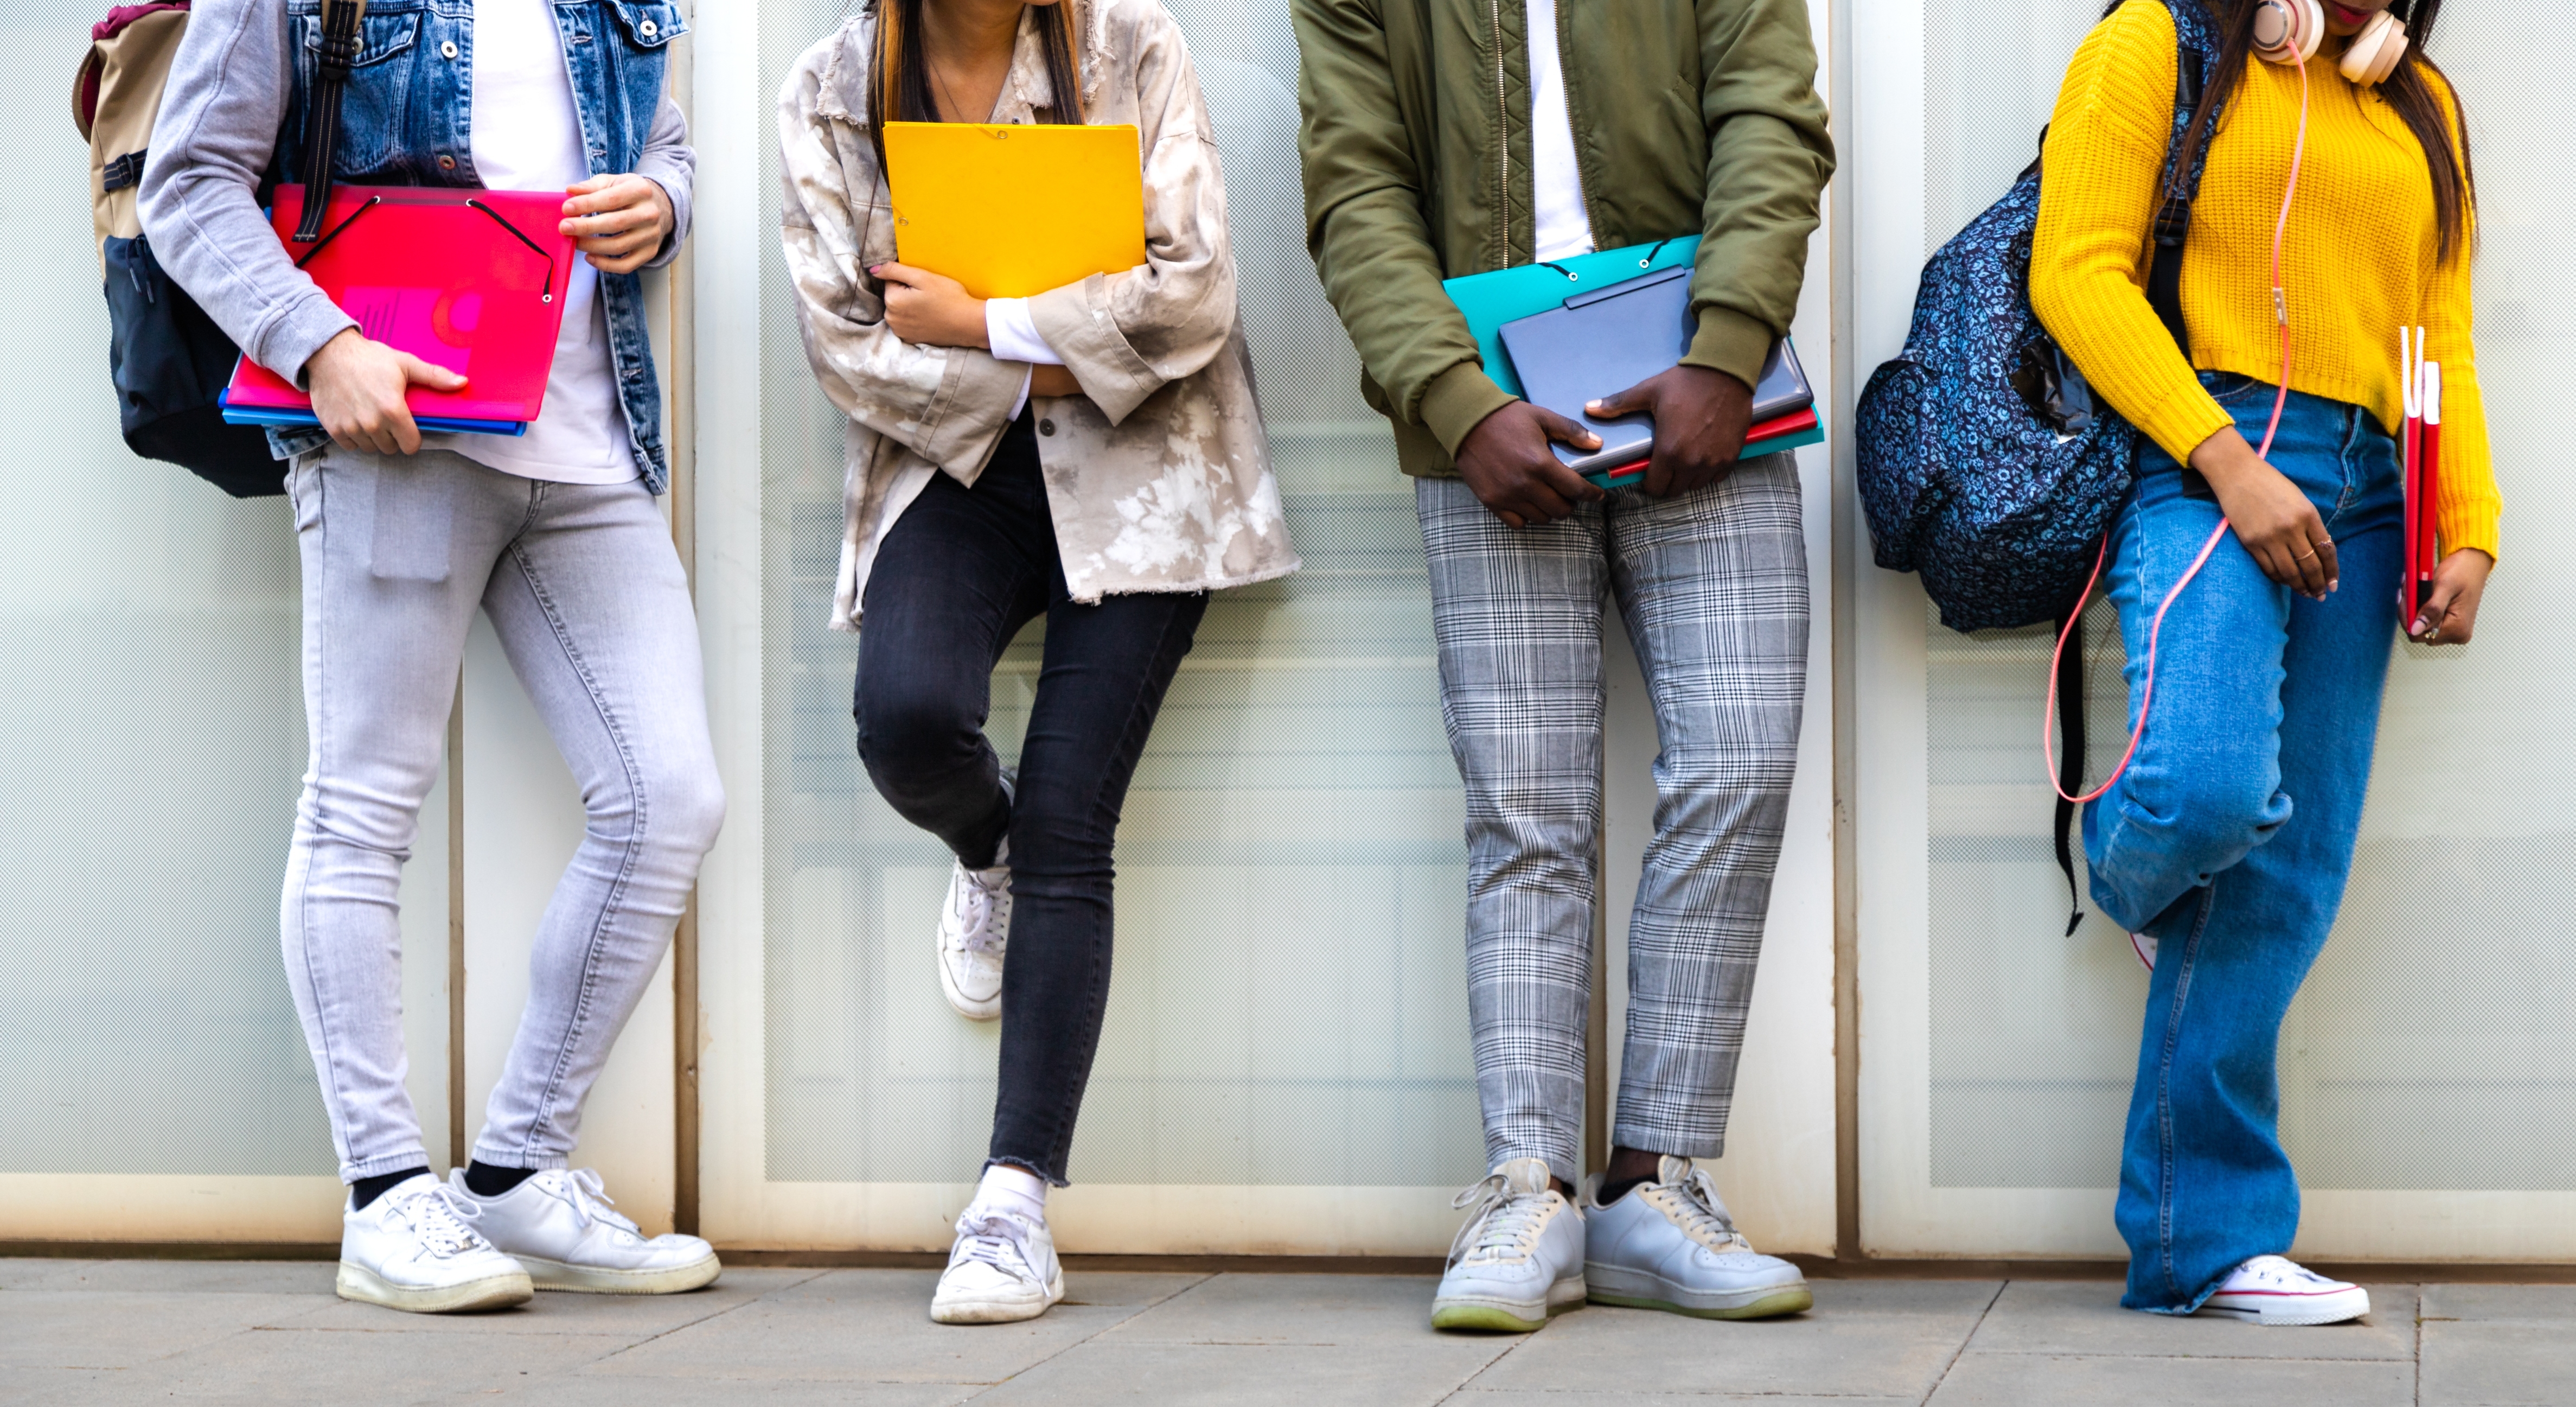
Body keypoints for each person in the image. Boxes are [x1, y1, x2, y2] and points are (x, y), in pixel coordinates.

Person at [142, 0, 723, 1313]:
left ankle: (514, 1170)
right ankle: (384, 1199)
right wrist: (318, 343)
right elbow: (188, 181)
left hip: (585, 445)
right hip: (392, 438)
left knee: (667, 800)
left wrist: (662, 204)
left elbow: (659, 138)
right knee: (362, 807)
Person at [1292, 0, 1834, 1332]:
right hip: (1481, 419)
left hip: (1710, 394)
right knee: (1523, 808)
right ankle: (1522, 1189)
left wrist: (1726, 346)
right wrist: (1452, 399)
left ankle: (1656, 1185)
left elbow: (1771, 120)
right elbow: (1351, 184)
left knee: (1741, 760)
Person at [777, 0, 1299, 1326]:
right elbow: (844, 337)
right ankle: (980, 850)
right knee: (904, 720)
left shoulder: (1131, 44)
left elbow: (1194, 292)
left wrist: (991, 321)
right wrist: (1034, 362)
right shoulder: (834, 83)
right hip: (950, 473)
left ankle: (1011, 1206)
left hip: (1150, 479)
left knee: (1076, 819)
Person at [2032, 0, 2495, 1323]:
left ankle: (2205, 1243)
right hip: (2205, 452)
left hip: (2370, 484)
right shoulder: (2152, 44)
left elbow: (2438, 329)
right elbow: (2077, 273)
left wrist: (2464, 520)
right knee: (2205, 796)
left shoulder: (2420, 104)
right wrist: (2225, 463)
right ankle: (2133, 883)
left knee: (2285, 876)